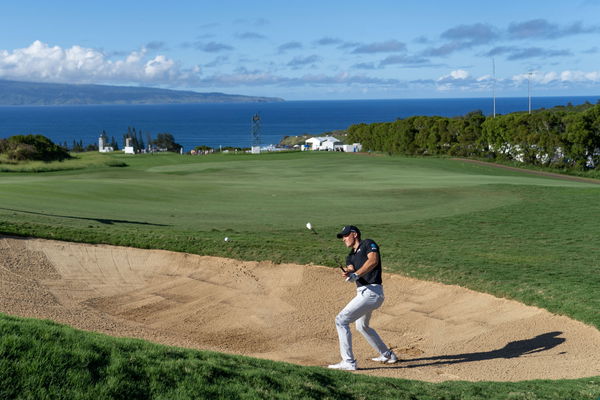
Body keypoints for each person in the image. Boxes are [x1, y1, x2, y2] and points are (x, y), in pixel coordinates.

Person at [328, 225, 398, 371]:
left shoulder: (368, 244)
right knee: (362, 326)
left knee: (341, 320)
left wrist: (357, 275)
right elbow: (351, 268)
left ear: (354, 234)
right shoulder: (350, 256)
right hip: (363, 293)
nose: (344, 239)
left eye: (346, 236)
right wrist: (348, 273)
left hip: (372, 292)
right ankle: (387, 355)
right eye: (342, 237)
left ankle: (348, 362)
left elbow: (373, 261)